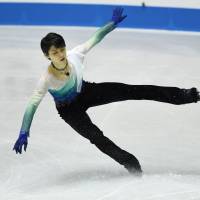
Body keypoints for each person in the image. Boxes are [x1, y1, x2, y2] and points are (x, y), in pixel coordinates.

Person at [13, 7, 199, 175]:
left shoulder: (75, 55)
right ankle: (130, 163)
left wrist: (112, 24)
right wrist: (24, 131)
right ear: (47, 56)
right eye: (55, 53)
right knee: (96, 137)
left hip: (86, 91)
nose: (61, 55)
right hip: (69, 110)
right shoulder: (47, 78)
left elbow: (95, 38)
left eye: (62, 49)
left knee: (131, 90)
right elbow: (32, 104)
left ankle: (185, 95)